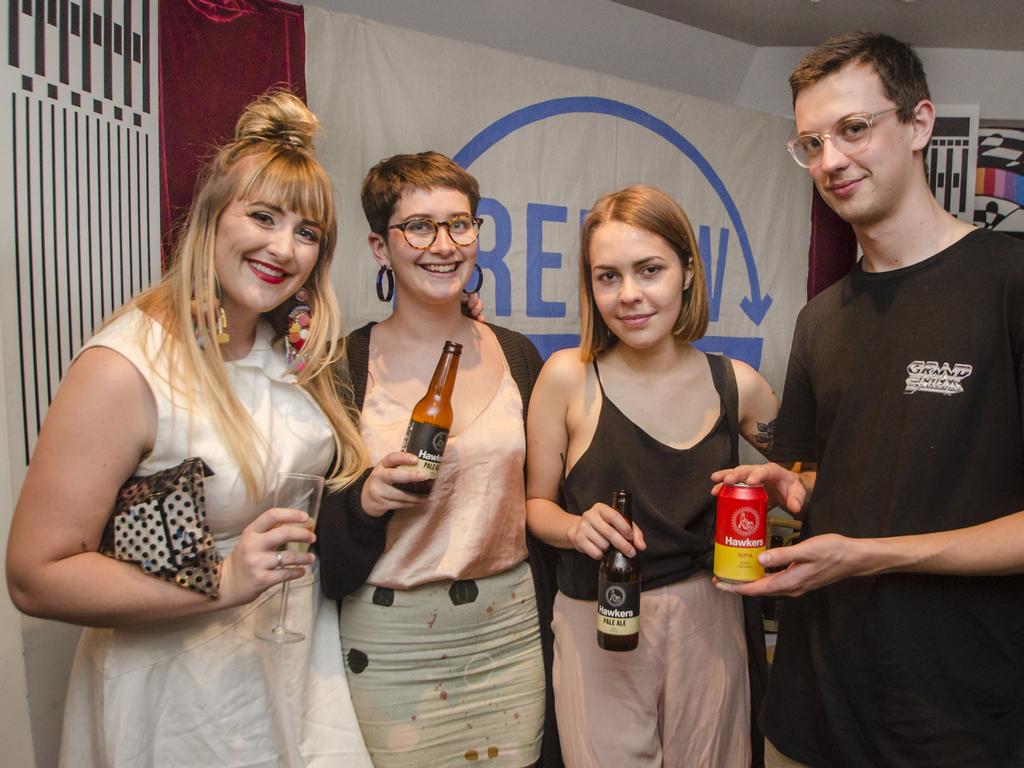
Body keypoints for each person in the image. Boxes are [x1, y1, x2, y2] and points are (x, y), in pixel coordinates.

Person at [5, 90, 374, 767]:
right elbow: (36, 575)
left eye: (307, 233)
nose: (283, 248)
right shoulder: (129, 368)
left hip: (294, 676)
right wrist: (224, 577)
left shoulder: (291, 352)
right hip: (177, 706)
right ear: (212, 217)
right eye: (262, 217)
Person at [711, 32, 1024, 768]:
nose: (830, 161)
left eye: (854, 129)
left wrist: (873, 557)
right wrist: (793, 487)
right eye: (810, 143)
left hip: (959, 715)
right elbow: (839, 479)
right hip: (814, 703)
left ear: (919, 125)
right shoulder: (822, 317)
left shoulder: (1010, 285)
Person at [525, 184, 780, 768]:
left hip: (708, 620)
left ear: (688, 271)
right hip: (598, 617)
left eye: (650, 270)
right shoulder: (568, 377)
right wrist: (572, 528)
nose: (630, 295)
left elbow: (801, 477)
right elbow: (534, 505)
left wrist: (779, 482)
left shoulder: (738, 384)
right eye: (607, 276)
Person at [315, 152, 553, 768]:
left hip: (509, 634)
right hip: (391, 642)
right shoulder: (342, 367)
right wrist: (363, 503)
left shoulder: (520, 357)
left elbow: (549, 498)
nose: (443, 244)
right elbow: (311, 525)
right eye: (418, 226)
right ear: (379, 246)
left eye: (461, 224)